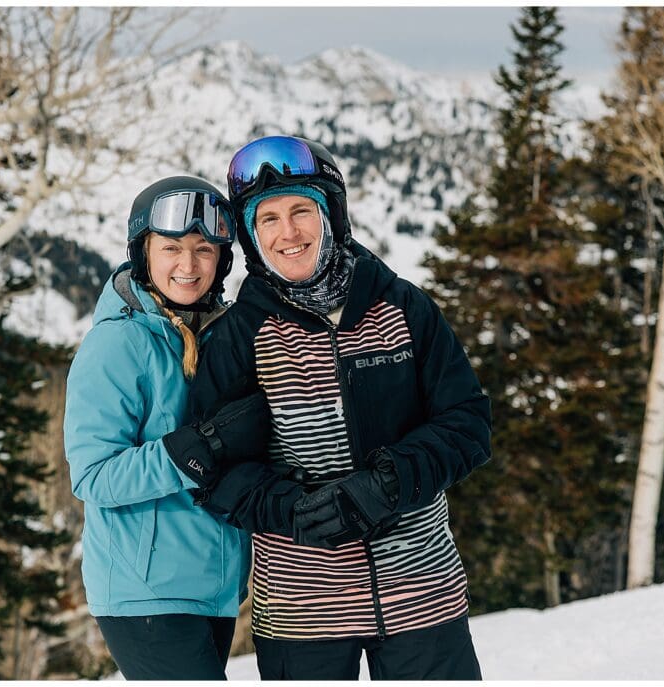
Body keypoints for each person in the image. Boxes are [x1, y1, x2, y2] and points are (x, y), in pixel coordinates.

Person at [187, 136, 492, 680]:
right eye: (269, 219)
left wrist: (389, 482)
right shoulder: (238, 337)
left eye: (302, 210)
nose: (289, 233)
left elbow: (467, 422)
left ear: (331, 215)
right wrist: (290, 509)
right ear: (253, 239)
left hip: (421, 590)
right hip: (302, 610)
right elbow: (212, 471)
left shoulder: (402, 306)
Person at [63, 175, 271, 680]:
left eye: (204, 249)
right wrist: (192, 450)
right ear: (144, 252)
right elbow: (93, 476)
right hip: (146, 592)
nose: (189, 265)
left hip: (214, 588)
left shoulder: (220, 335)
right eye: (172, 247)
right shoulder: (118, 343)